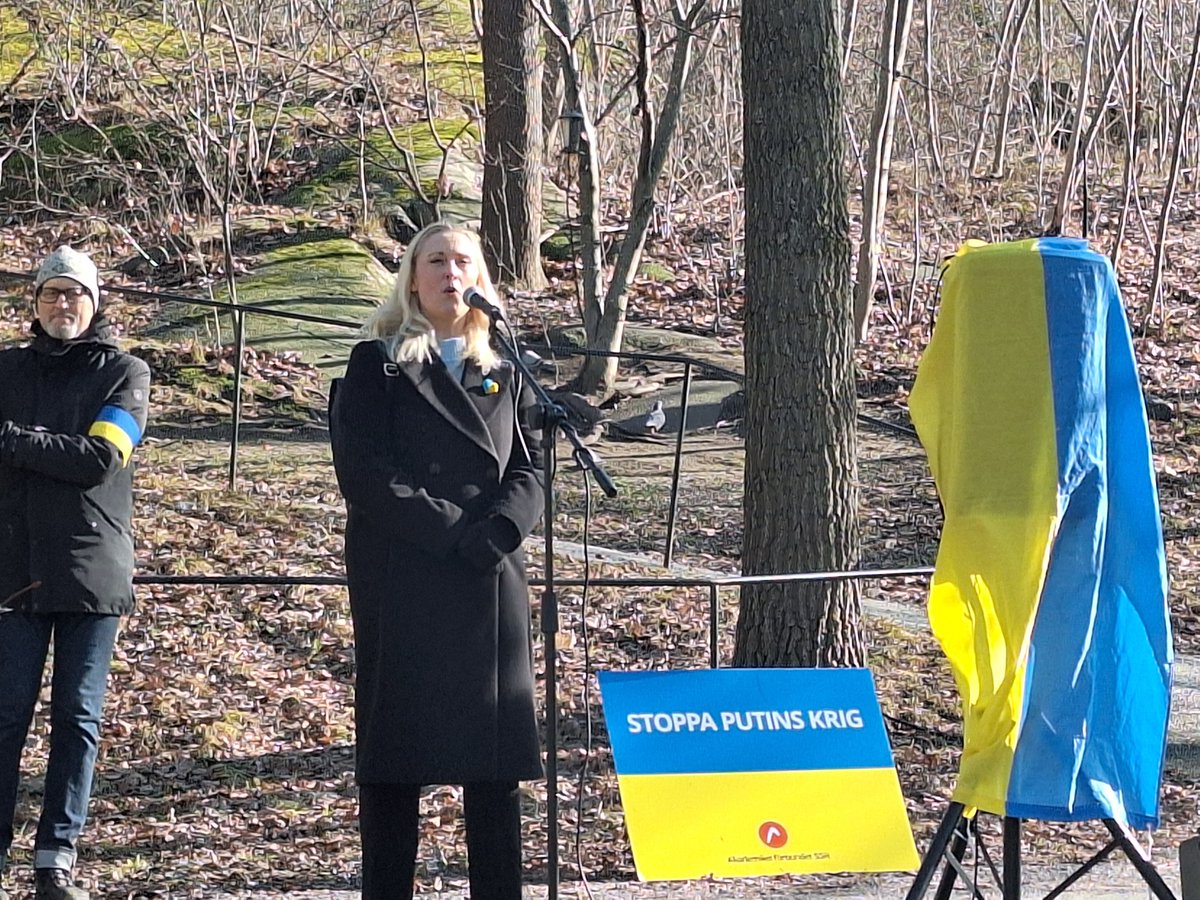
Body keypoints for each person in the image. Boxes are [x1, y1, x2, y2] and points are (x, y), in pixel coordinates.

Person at [330, 222, 545, 899]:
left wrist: (499, 532)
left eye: (463, 261)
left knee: (492, 771)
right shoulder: (378, 363)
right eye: (436, 261)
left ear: (481, 278)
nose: (451, 272)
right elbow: (365, 474)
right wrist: (455, 531)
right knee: (396, 764)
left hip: (489, 581)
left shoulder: (506, 368)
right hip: (407, 578)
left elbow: (531, 470)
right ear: (413, 278)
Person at [0, 247, 150, 900]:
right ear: (34, 303)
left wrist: (13, 440)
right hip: (13, 571)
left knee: (77, 718)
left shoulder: (125, 372)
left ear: (95, 304)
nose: (64, 305)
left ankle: (55, 856)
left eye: (76, 295)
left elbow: (100, 457)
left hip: (92, 575)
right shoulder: (5, 369)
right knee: (5, 716)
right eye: (51, 294)